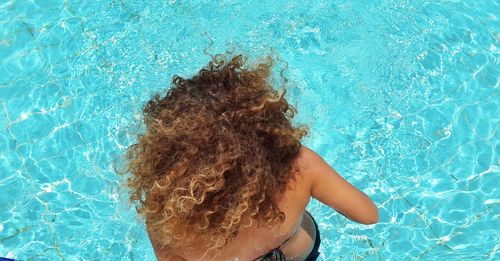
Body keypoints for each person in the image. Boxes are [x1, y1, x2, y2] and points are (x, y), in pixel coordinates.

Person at [121, 53, 378, 261]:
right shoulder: (299, 168)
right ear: (268, 130)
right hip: (298, 254)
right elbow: (367, 215)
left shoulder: (165, 216)